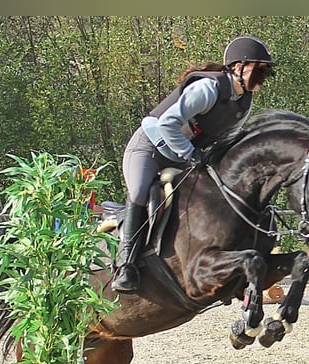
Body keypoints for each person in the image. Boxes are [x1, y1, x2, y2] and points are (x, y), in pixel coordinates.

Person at [111, 35, 276, 293]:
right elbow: (168, 124)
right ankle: (127, 266)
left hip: (184, 155)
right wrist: (189, 152)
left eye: (265, 71)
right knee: (141, 191)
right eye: (259, 69)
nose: (263, 77)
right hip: (150, 148)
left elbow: (228, 137)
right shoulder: (208, 89)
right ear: (238, 67)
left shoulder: (244, 102)